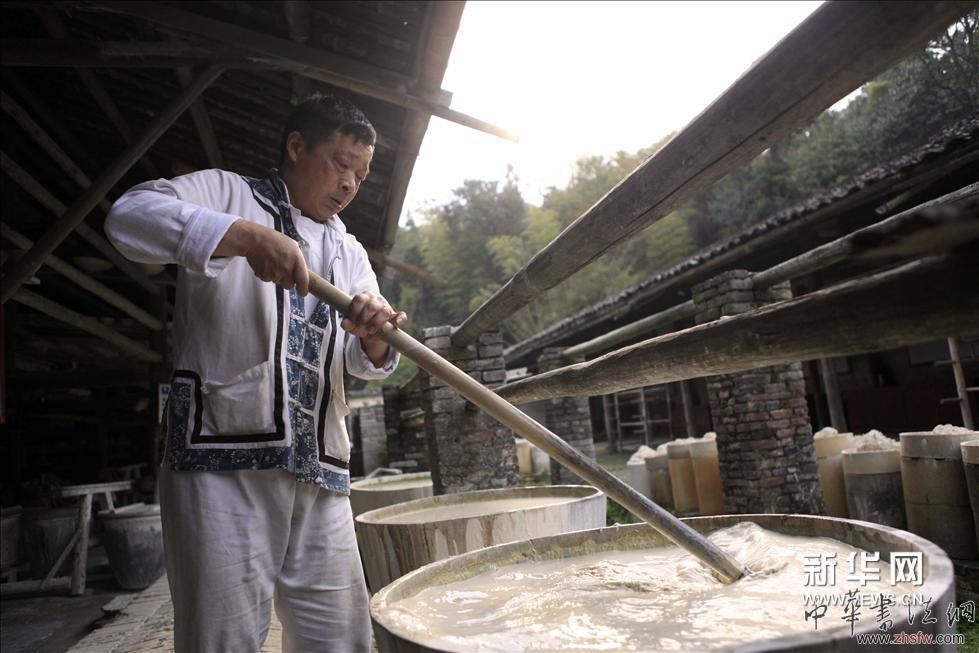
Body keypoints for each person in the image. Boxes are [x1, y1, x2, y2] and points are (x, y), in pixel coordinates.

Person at [105, 93, 406, 652]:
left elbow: (364, 363)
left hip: (321, 472)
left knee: (341, 640)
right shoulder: (226, 193)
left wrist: (372, 336)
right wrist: (241, 236)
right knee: (222, 640)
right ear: (296, 146)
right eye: (341, 162)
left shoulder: (350, 251)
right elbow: (127, 218)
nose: (350, 184)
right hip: (221, 464)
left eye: (361, 175)